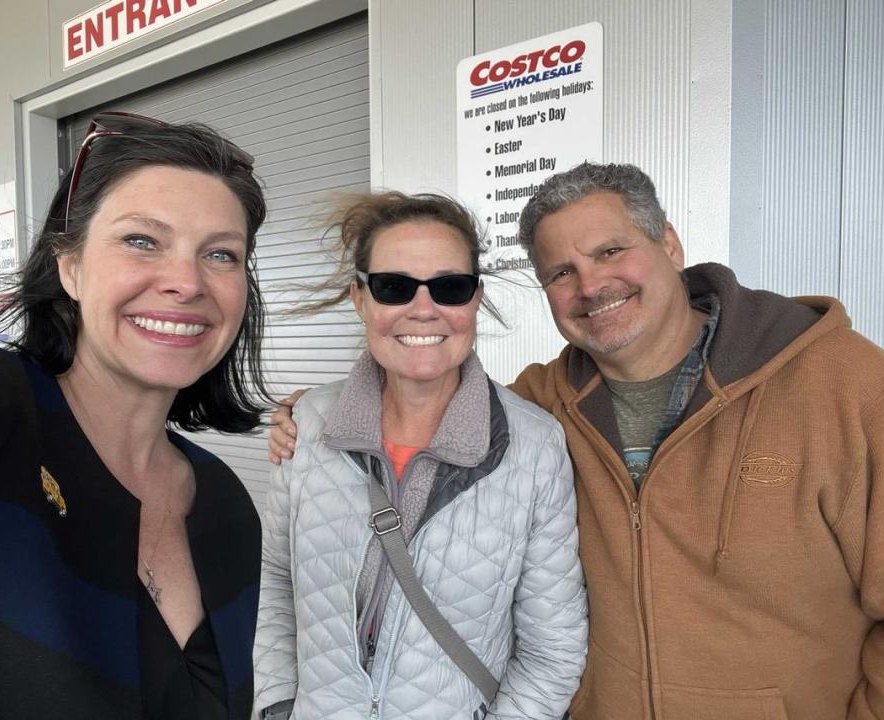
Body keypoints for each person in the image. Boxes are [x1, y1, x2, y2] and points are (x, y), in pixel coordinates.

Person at [269, 163, 884, 719]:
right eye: (562, 272)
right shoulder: (544, 406)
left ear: (668, 242)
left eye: (611, 250)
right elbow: (437, 404)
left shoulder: (847, 386)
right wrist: (310, 414)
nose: (591, 285)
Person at [0, 112, 270, 720]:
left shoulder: (225, 504)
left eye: (221, 254)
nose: (186, 282)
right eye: (142, 240)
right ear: (70, 266)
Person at [253, 192, 587, 720]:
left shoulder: (534, 445)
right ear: (360, 299)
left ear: (475, 299)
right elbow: (274, 583)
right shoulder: (306, 424)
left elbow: (554, 649)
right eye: (394, 287)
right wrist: (276, 706)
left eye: (450, 287)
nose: (424, 309)